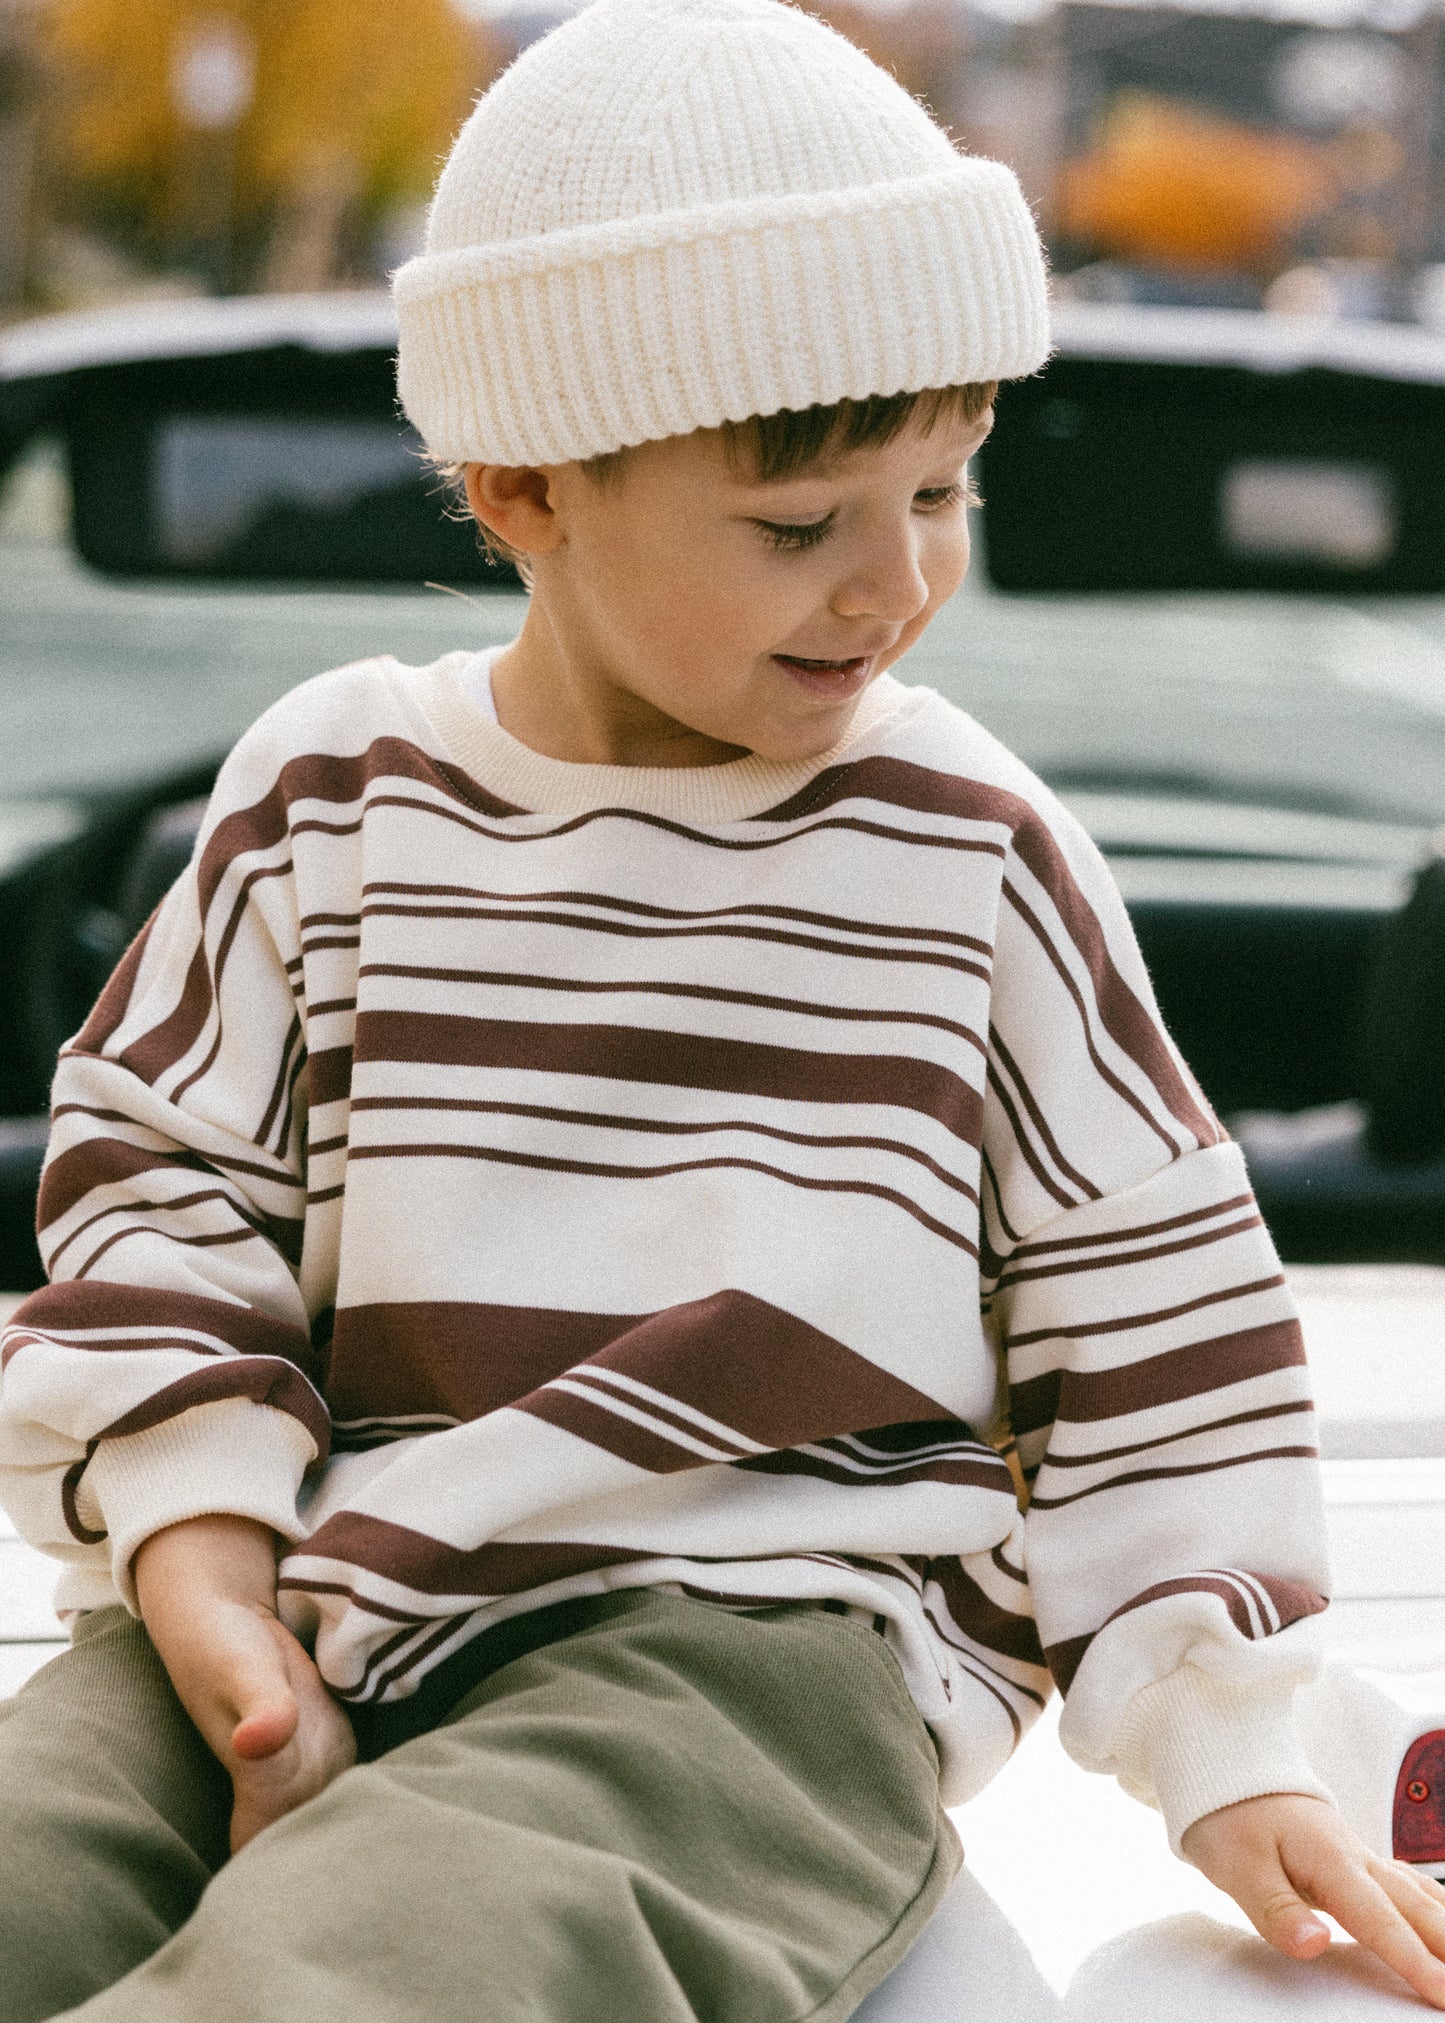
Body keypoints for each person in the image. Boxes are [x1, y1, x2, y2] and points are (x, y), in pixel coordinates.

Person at [1, 0, 1441, 2016]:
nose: (896, 583)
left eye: (942, 490)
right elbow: (163, 1187)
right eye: (801, 524)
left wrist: (1229, 1748)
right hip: (306, 1576)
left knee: (389, 1961)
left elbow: (1151, 1311)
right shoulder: (326, 797)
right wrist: (198, 1558)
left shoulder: (970, 852)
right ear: (519, 487)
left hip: (749, 1647)